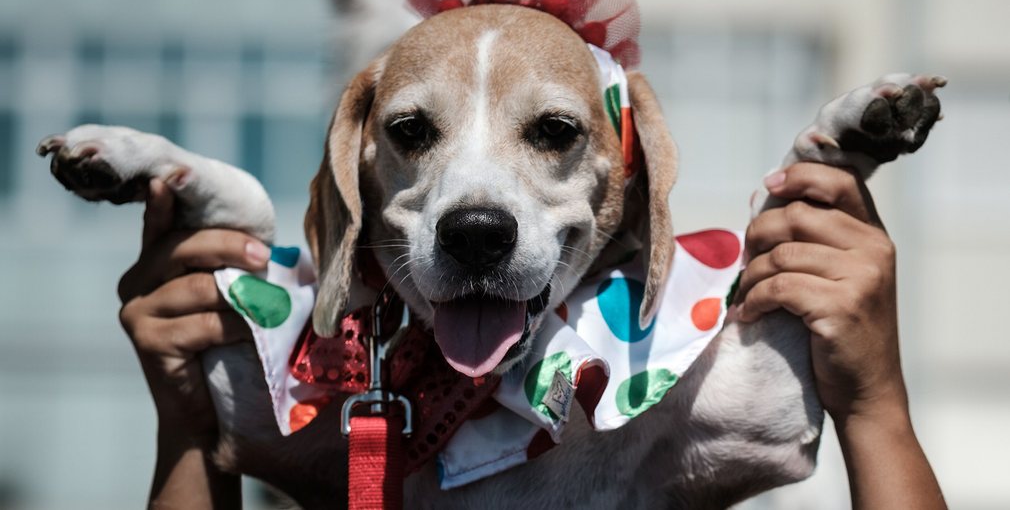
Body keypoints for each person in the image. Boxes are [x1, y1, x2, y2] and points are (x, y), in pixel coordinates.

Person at [116, 163, 947, 509]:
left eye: (548, 133)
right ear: (356, 184)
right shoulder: (344, 410)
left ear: (634, 186)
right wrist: (191, 424)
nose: (478, 211)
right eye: (415, 135)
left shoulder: (667, 402)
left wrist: (873, 406)